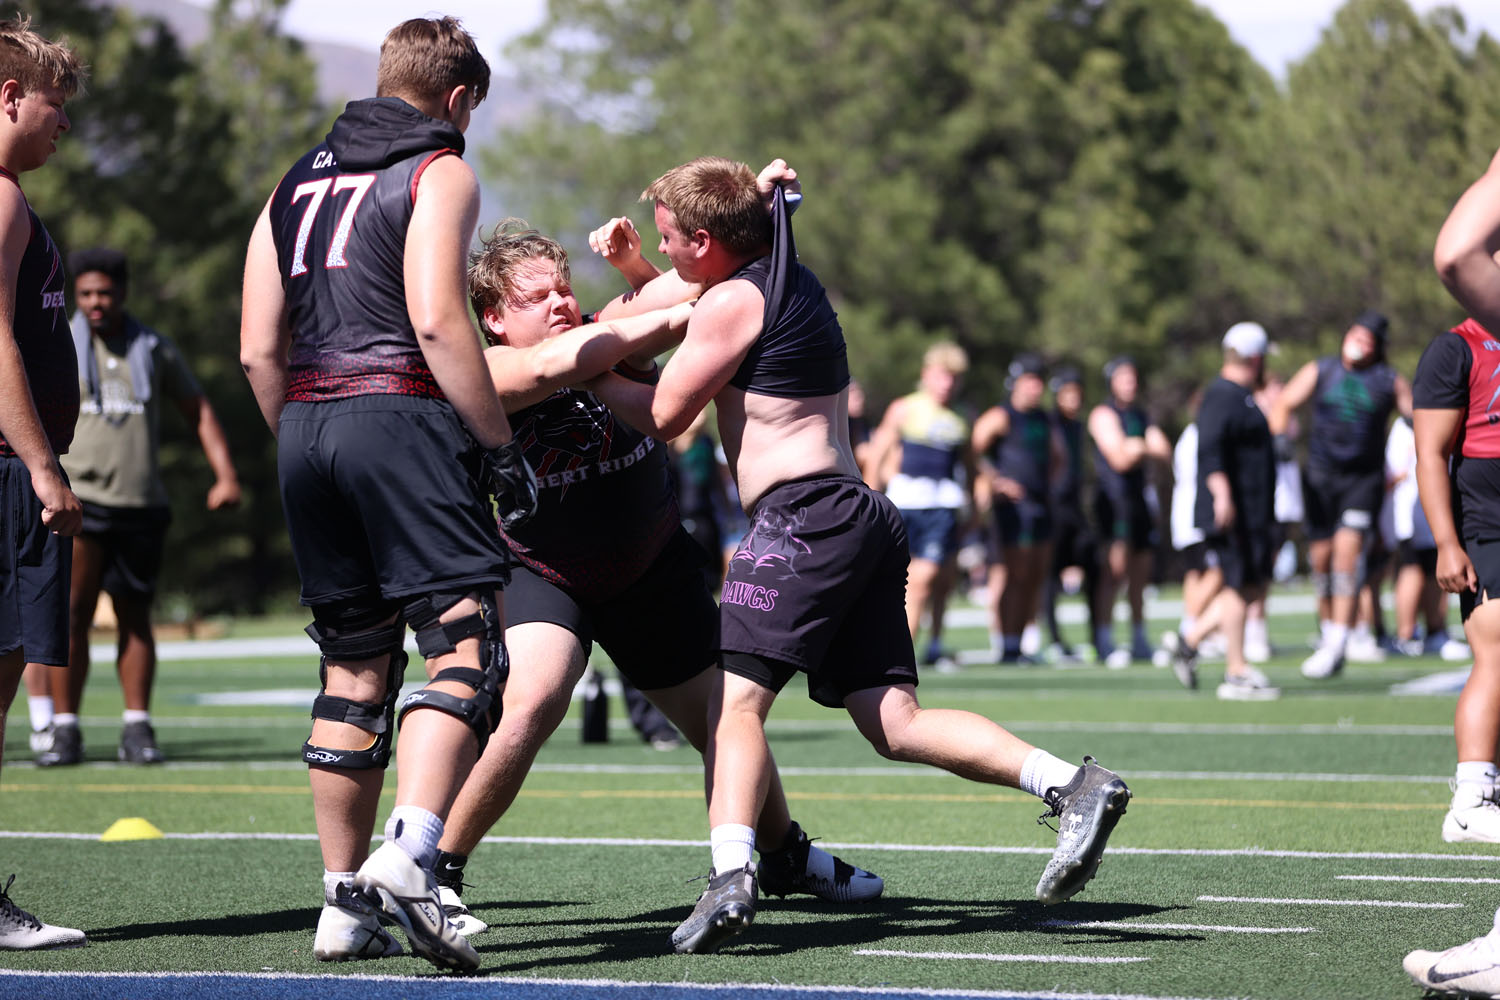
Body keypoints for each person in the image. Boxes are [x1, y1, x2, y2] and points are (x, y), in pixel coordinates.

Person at [584, 156, 1130, 954]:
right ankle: (1072, 785)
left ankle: (732, 877)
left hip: (801, 518)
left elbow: (666, 413)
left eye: (669, 239)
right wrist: (638, 269)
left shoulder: (733, 299)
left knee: (732, 708)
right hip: (859, 513)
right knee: (895, 722)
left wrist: (582, 376)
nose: (661, 251)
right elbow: (666, 293)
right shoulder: (781, 274)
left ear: (705, 240)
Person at [427, 217, 883, 939]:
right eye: (537, 297)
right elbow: (555, 366)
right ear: (493, 318)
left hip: (650, 565)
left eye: (564, 288)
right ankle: (437, 872)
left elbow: (698, 278)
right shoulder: (482, 375)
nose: (560, 302)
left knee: (725, 718)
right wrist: (664, 319)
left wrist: (728, 226)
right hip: (549, 572)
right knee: (535, 699)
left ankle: (784, 855)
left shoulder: (608, 331)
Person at [239, 17, 539, 973]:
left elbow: (256, 348)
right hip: (398, 413)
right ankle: (410, 856)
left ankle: (341, 904)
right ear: (457, 98)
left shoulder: (292, 182)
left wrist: (305, 438)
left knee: (352, 667)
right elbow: (439, 321)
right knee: (465, 646)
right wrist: (496, 446)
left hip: (304, 425)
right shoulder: (437, 171)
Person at [26, 248, 242, 767]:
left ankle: (137, 727)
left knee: (136, 616)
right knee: (71, 616)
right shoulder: (59, 341)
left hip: (141, 503)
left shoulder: (153, 346)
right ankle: (64, 729)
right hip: (80, 502)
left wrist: (225, 474)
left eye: (105, 292)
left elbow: (197, 408)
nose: (95, 302)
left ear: (123, 292)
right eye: (85, 294)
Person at [1401, 143, 1500, 999]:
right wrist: (1446, 540)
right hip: (1488, 511)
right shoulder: (1456, 347)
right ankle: (1472, 794)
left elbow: (1456, 249)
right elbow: (1431, 451)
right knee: (1496, 645)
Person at [0, 14, 88, 950]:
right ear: (9, 97)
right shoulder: (1, 201)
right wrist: (40, 466)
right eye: (55, 104)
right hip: (6, 473)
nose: (63, 123)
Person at [1270, 311, 1412, 680]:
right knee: (1321, 559)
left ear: (1377, 347)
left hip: (1362, 481)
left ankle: (1338, 643)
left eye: (1367, 339)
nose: (1359, 343)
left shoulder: (1389, 380)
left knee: (1348, 554)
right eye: (1355, 334)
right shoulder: (1321, 369)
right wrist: (1280, 437)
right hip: (1320, 480)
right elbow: (1283, 403)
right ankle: (1328, 628)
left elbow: (1418, 414)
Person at [1161, 323, 1280, 700]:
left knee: (1248, 587)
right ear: (1255, 359)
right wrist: (1221, 494)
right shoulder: (1222, 394)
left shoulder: (1241, 396)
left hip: (1250, 511)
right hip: (1232, 512)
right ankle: (1236, 671)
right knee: (1238, 585)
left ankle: (1190, 641)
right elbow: (1209, 448)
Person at [864, 342, 975, 668]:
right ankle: (899, 650)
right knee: (905, 581)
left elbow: (970, 466)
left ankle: (911, 651)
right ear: (926, 375)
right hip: (904, 504)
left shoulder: (963, 416)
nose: (947, 384)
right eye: (942, 376)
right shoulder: (904, 408)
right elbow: (878, 454)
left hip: (942, 507)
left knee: (931, 579)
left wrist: (974, 507)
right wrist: (869, 500)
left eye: (954, 377)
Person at [972, 353, 1062, 663]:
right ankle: (1008, 643)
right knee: (1014, 575)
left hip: (1040, 505)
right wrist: (995, 481)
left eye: (1039, 381)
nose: (1036, 388)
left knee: (1035, 576)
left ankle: (1020, 643)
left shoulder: (1044, 418)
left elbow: (1058, 457)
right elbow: (972, 451)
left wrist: (1048, 484)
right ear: (1016, 383)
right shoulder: (1001, 416)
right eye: (1030, 381)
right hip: (1013, 510)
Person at [1088, 356, 1171, 668]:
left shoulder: (1140, 414)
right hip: (1114, 502)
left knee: (1141, 573)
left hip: (1138, 502)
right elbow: (1119, 459)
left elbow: (1164, 451)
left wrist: (1137, 447)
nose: (1130, 383)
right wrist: (1139, 448)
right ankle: (1104, 640)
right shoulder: (1103, 414)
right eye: (1124, 377)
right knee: (1114, 572)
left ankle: (1139, 638)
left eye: (1133, 377)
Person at [1381, 416, 1468, 659]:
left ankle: (1434, 631)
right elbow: (1395, 474)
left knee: (1430, 571)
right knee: (1413, 570)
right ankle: (1407, 633)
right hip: (1413, 514)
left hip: (1427, 515)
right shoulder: (1405, 428)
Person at [1042, 366, 1099, 662]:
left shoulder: (1078, 426)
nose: (1074, 399)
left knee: (1094, 565)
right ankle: (1053, 640)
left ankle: (1098, 636)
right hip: (1053, 507)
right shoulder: (1048, 423)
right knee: (1050, 576)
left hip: (1074, 508)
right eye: (1068, 393)